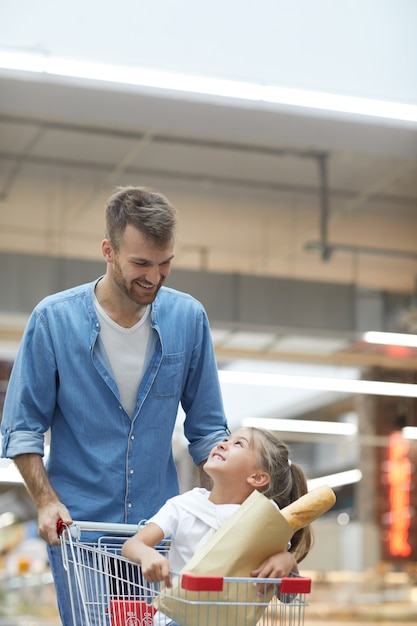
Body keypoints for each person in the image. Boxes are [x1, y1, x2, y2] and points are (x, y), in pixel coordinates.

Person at [1, 185, 232, 626]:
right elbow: (22, 429)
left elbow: (207, 433)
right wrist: (47, 502)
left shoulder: (188, 319)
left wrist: (228, 513)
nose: (155, 276)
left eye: (165, 264)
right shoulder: (54, 321)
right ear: (108, 251)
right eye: (141, 263)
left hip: (155, 534)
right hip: (80, 533)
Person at [122, 427, 312, 593]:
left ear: (257, 477)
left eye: (239, 444)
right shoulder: (182, 506)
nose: (222, 444)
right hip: (175, 616)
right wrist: (148, 554)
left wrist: (288, 561)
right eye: (226, 440)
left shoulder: (265, 516)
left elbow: (287, 596)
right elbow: (133, 545)